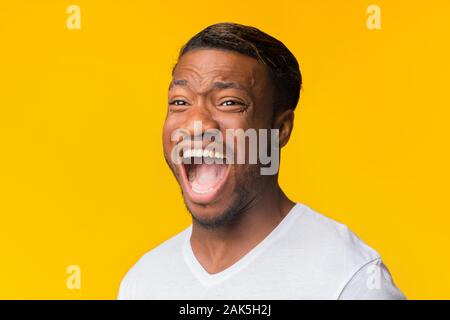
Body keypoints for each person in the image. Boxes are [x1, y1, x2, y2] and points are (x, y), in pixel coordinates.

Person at [118, 22, 405, 299]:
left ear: (280, 130)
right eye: (180, 102)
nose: (196, 124)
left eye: (229, 102)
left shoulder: (351, 280)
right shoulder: (143, 282)